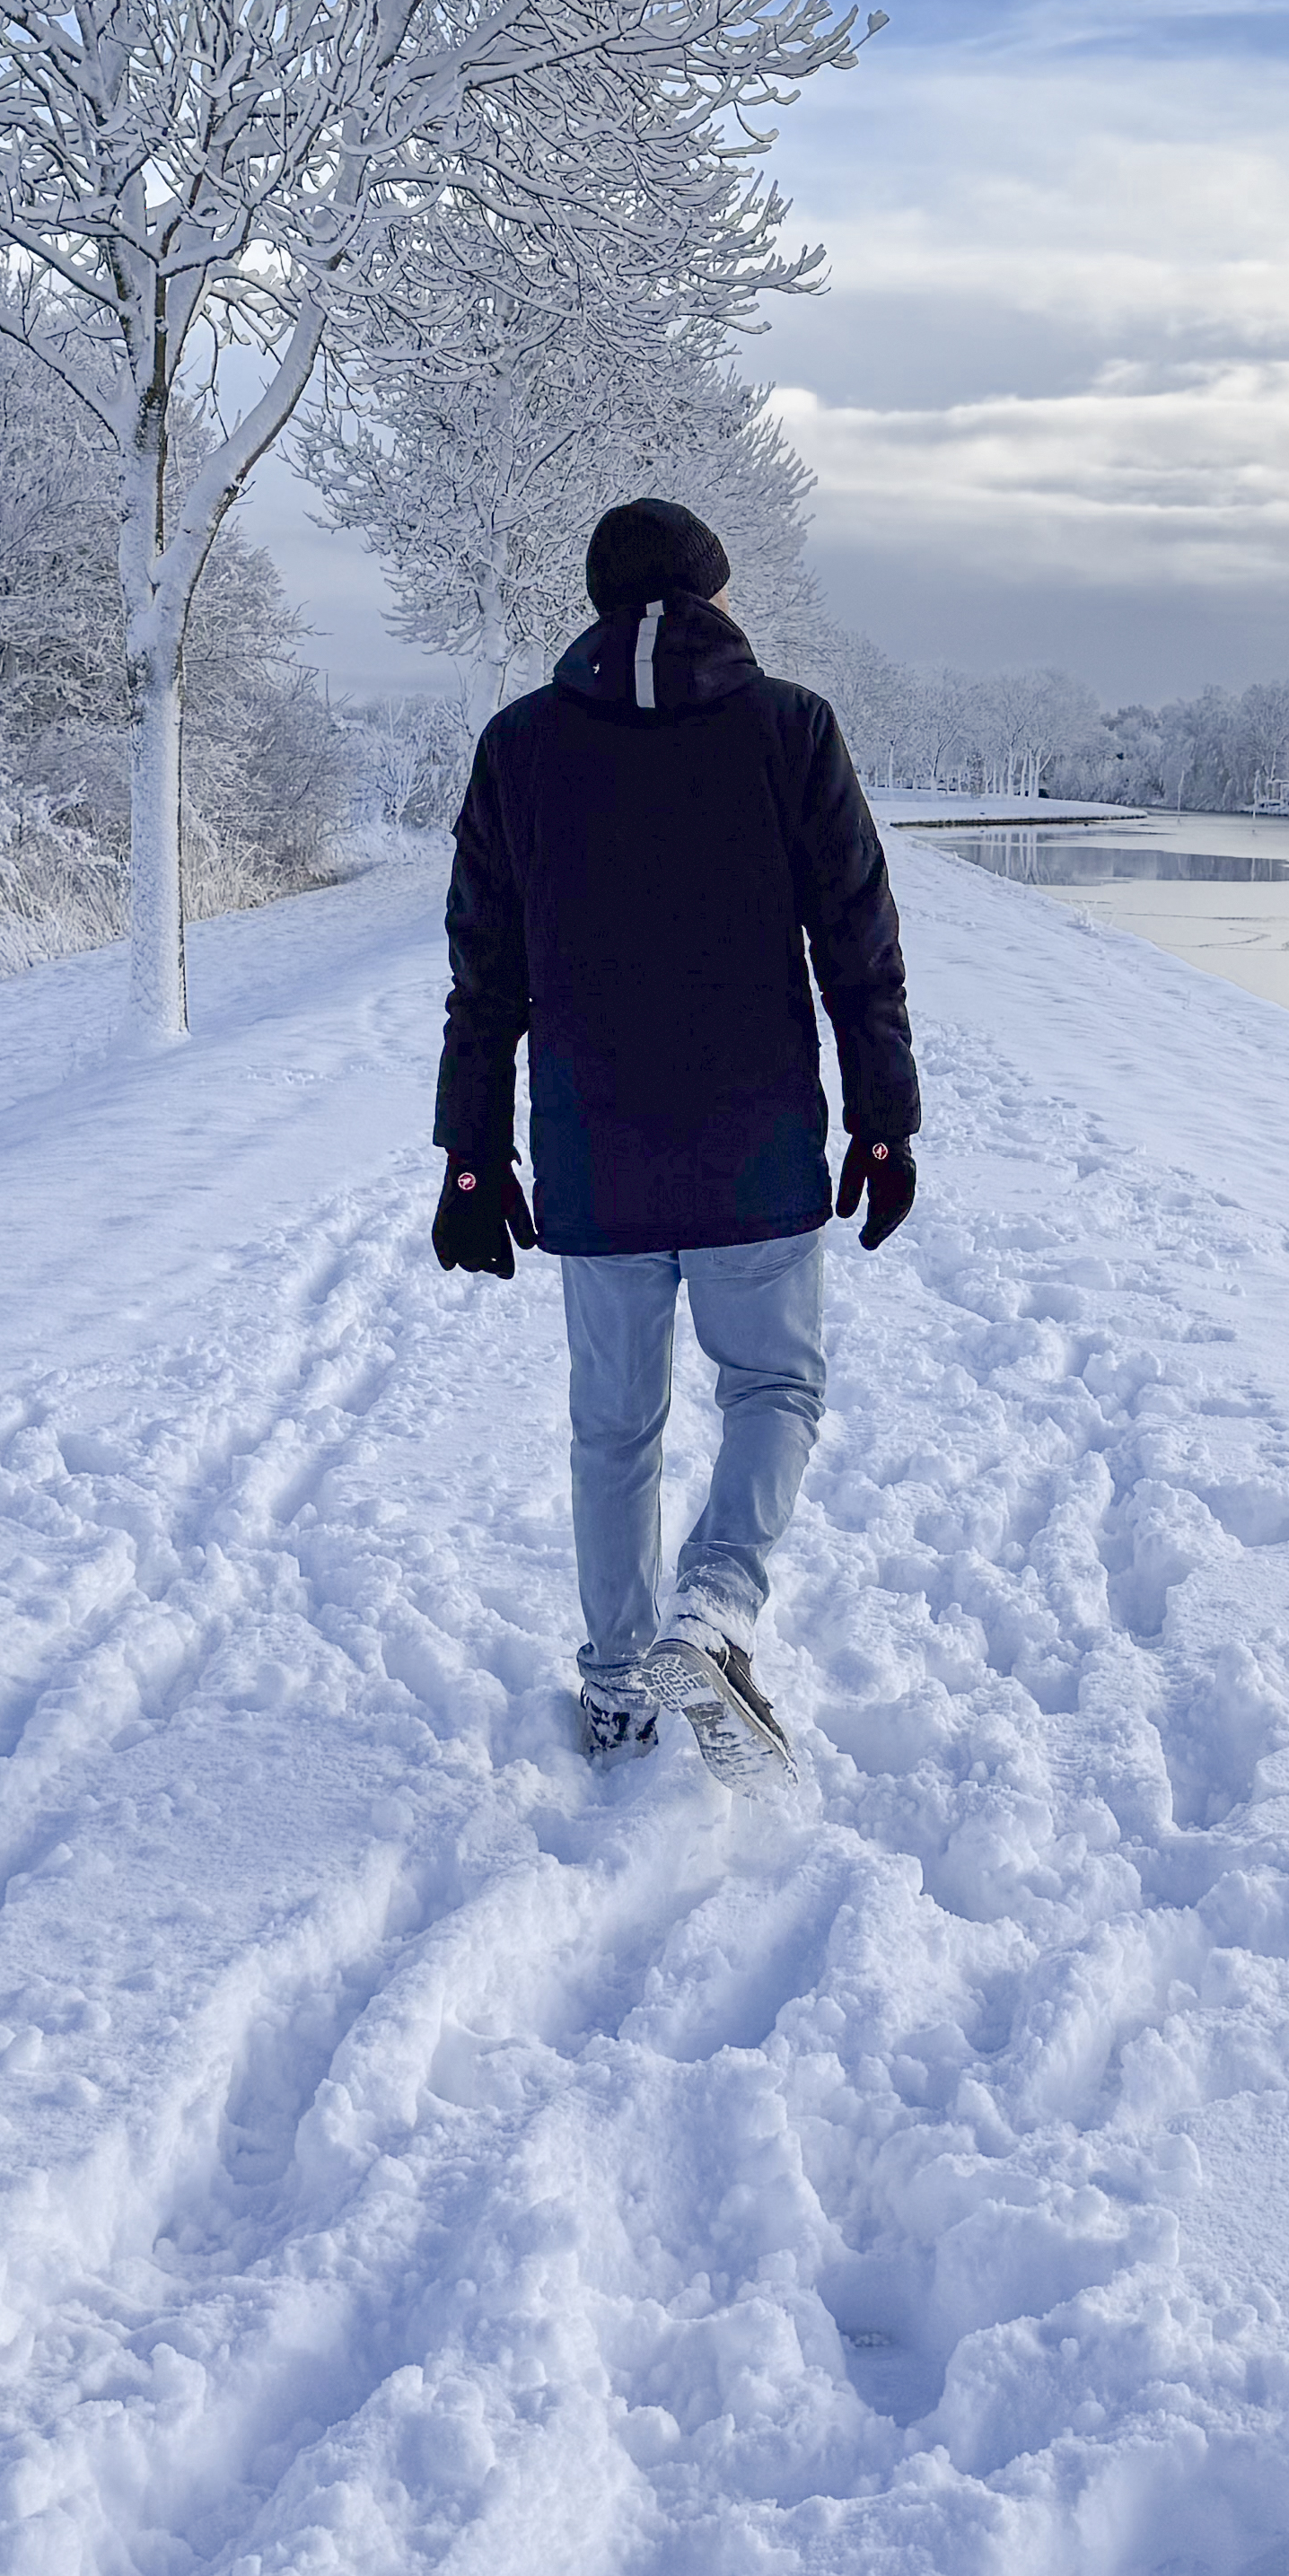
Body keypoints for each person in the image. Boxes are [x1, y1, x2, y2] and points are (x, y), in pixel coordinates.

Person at [431, 495, 919, 1763]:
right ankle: (714, 1604)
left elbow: (484, 975)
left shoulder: (520, 746)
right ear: (716, 592)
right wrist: (882, 1119)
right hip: (755, 1147)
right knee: (774, 1382)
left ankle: (613, 1684)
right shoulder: (791, 730)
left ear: (598, 600)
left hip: (597, 1154)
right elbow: (859, 941)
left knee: (615, 1423)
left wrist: (473, 1157)